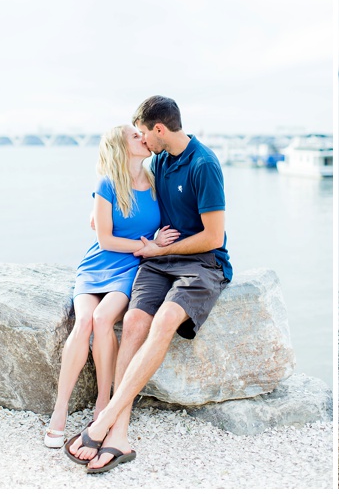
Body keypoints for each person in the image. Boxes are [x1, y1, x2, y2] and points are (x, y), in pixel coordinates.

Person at [65, 95, 232, 474]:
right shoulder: (158, 162)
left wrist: (154, 253)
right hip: (160, 260)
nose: (142, 140)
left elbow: (214, 237)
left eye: (144, 133)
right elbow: (126, 192)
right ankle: (119, 434)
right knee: (136, 323)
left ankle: (103, 421)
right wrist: (98, 217)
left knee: (161, 323)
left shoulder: (204, 165)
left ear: (159, 129)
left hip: (202, 264)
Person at [44, 125, 179, 448]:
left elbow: (168, 223)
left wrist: (158, 244)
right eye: (135, 136)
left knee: (104, 319)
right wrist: (147, 244)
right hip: (97, 264)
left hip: (131, 268)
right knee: (84, 322)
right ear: (121, 147)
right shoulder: (107, 184)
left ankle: (103, 402)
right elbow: (104, 239)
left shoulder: (156, 183)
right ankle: (59, 411)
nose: (142, 138)